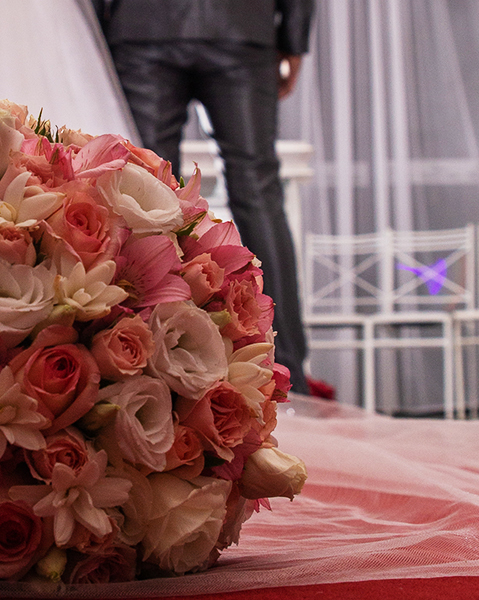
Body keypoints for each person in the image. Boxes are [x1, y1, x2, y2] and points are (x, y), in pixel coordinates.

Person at [95, 0, 315, 394]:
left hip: (144, 24)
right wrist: (293, 38)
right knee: (258, 190)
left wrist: (97, 27)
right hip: (241, 24)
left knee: (150, 191)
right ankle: (289, 373)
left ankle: (148, 370)